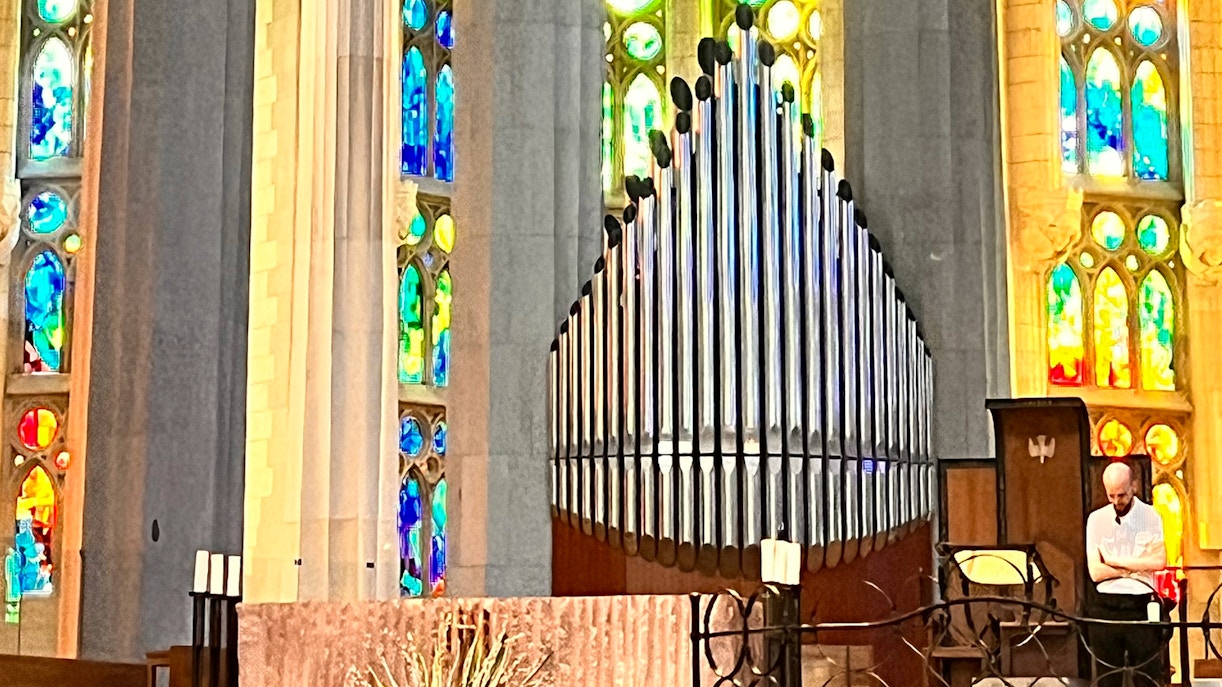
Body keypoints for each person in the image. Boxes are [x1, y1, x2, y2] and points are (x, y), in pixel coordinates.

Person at [1086, 462, 1167, 686]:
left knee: (1146, 676)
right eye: (1111, 495)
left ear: (1134, 486)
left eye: (1121, 495)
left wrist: (1113, 561)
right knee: (1107, 678)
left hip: (1139, 604)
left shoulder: (1151, 516)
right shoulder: (1096, 520)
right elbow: (1096, 572)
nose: (1116, 501)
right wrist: (1136, 567)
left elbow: (1159, 562)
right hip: (1105, 605)